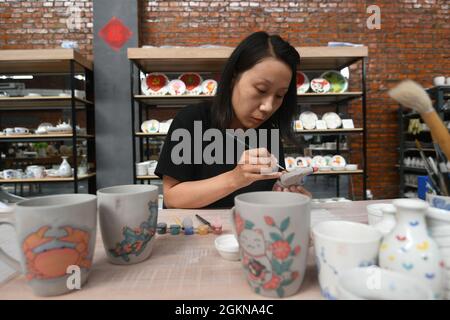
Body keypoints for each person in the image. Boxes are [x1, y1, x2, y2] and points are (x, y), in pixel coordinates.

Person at [155, 31, 311, 209]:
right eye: (261, 90)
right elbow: (172, 198)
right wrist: (235, 178)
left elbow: (268, 189)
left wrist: (287, 193)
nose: (268, 106)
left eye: (279, 95)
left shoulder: (268, 132)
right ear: (233, 77)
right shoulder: (193, 120)